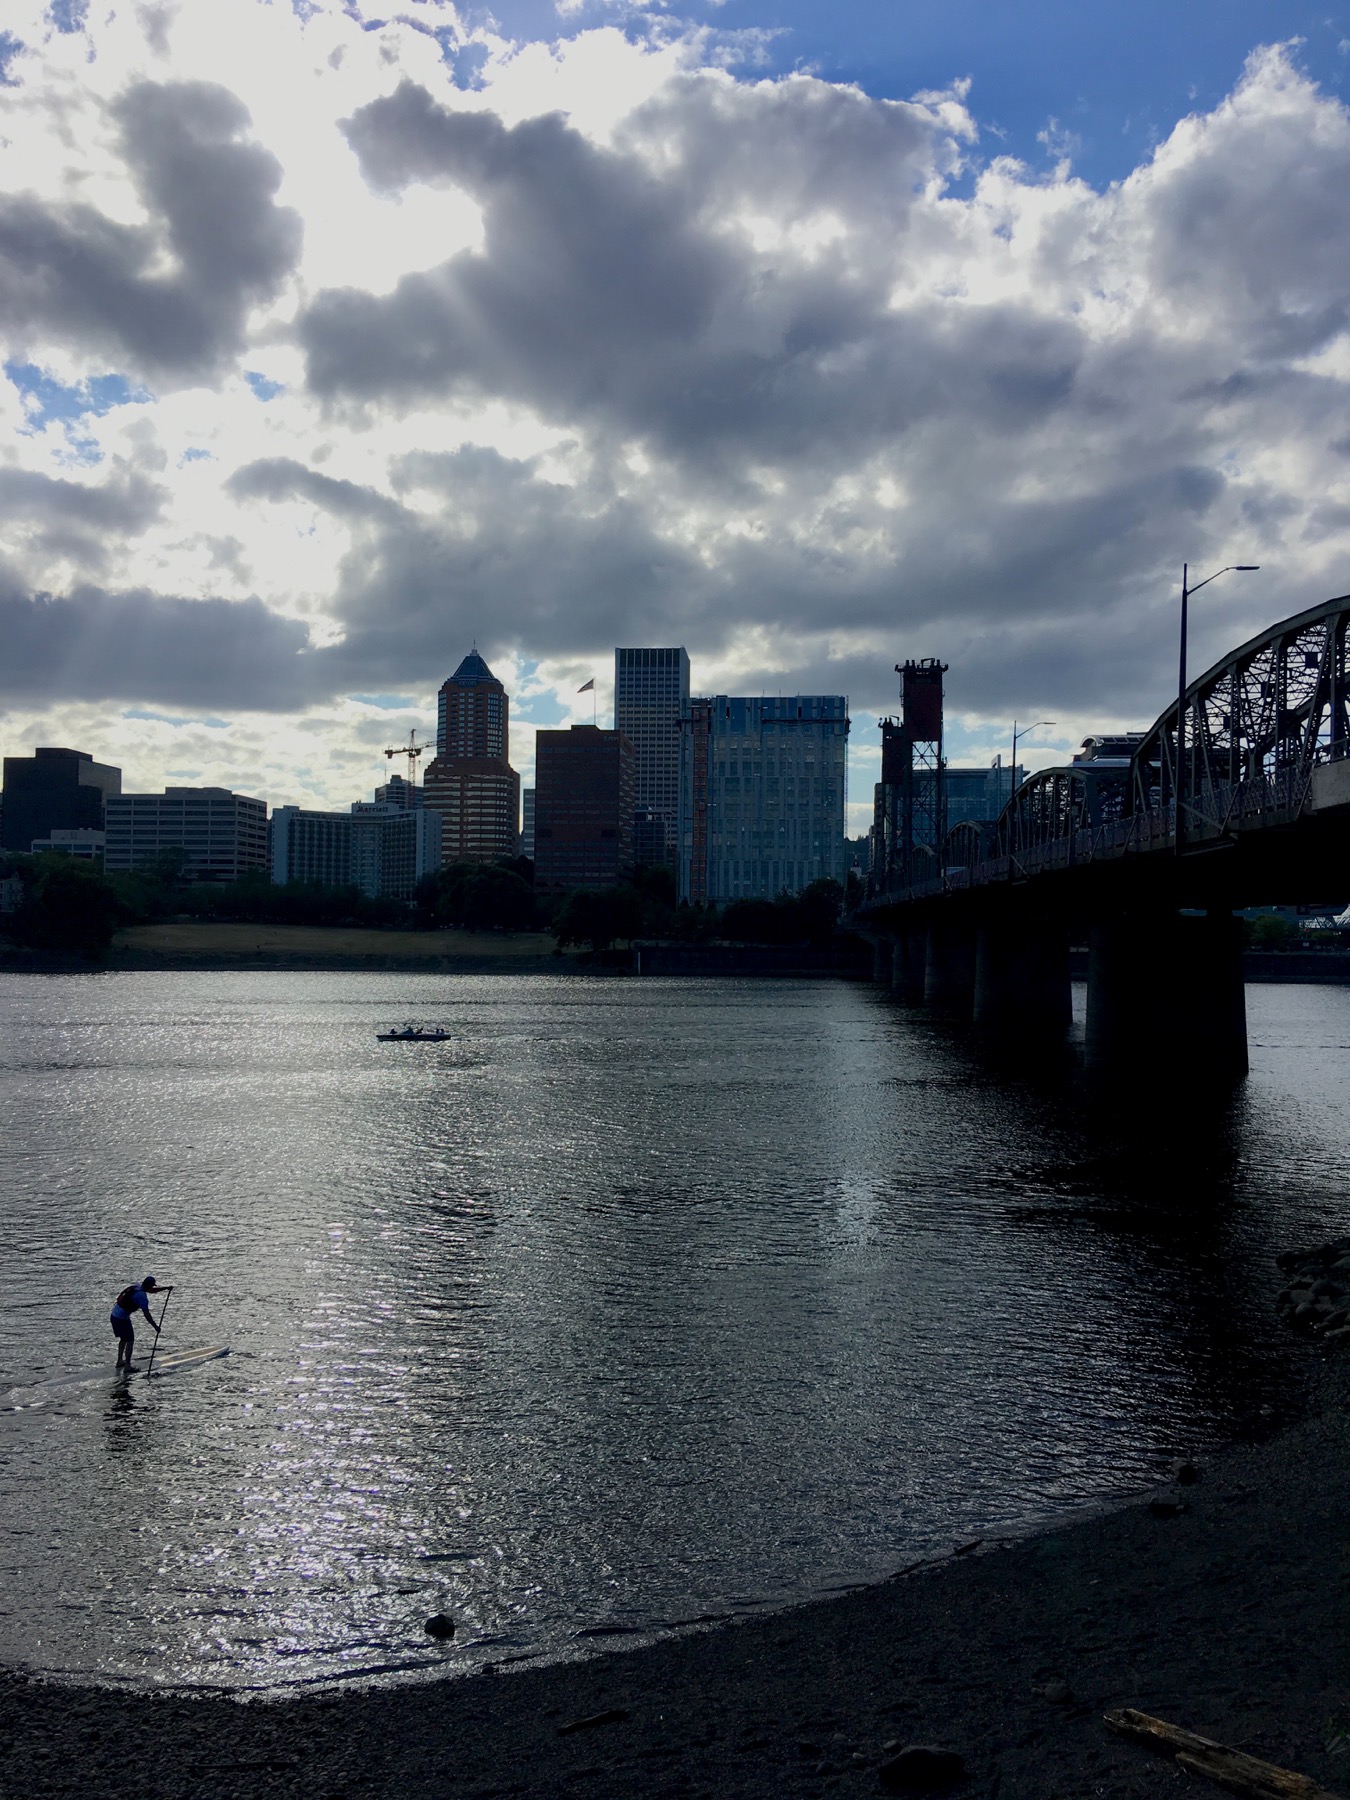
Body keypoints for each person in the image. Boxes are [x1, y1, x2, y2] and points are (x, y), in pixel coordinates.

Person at [110, 1276, 171, 1369]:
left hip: (114, 1315)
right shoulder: (142, 1297)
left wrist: (165, 1288)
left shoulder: (137, 1287)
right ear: (149, 1286)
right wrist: (155, 1326)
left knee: (123, 1339)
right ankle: (127, 1366)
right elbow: (147, 1314)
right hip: (122, 1319)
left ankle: (119, 1361)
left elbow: (151, 1290)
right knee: (130, 1340)